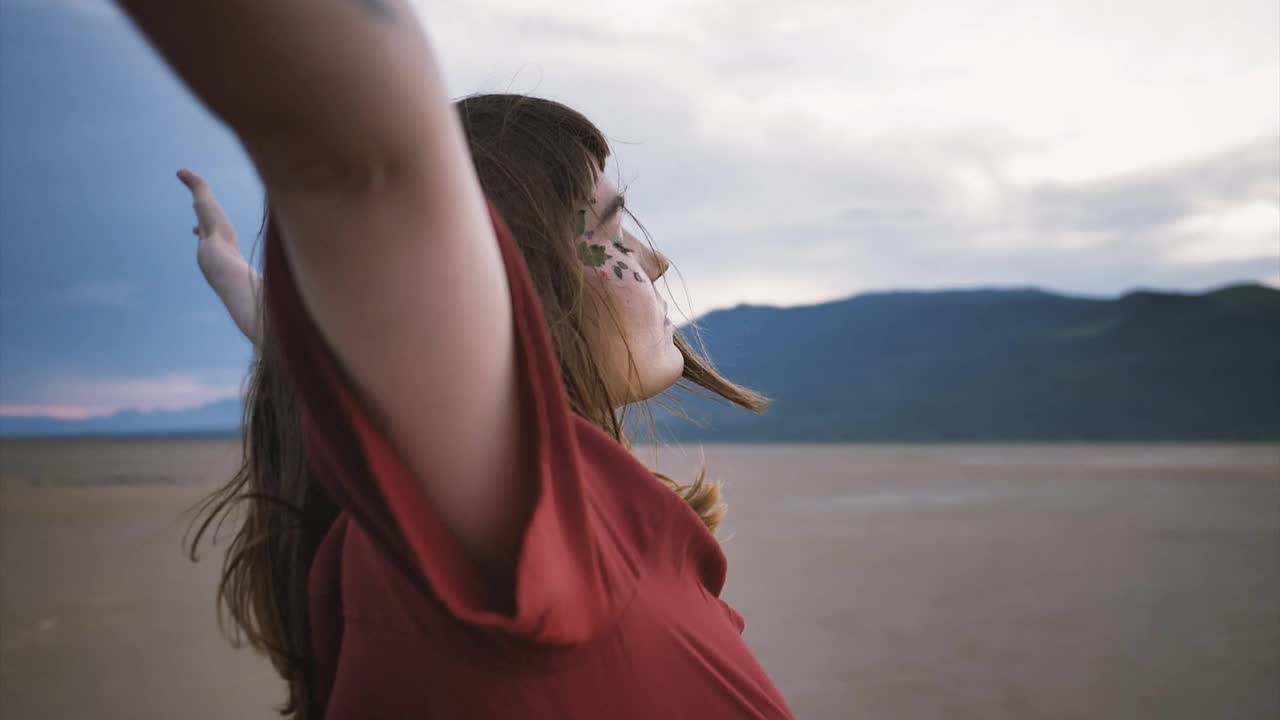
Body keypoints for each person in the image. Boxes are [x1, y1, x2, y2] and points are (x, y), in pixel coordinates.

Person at [125, 1, 792, 717]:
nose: (654, 259)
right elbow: (363, 151)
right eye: (607, 230)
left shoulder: (563, 523)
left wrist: (256, 300)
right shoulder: (520, 535)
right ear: (513, 288)